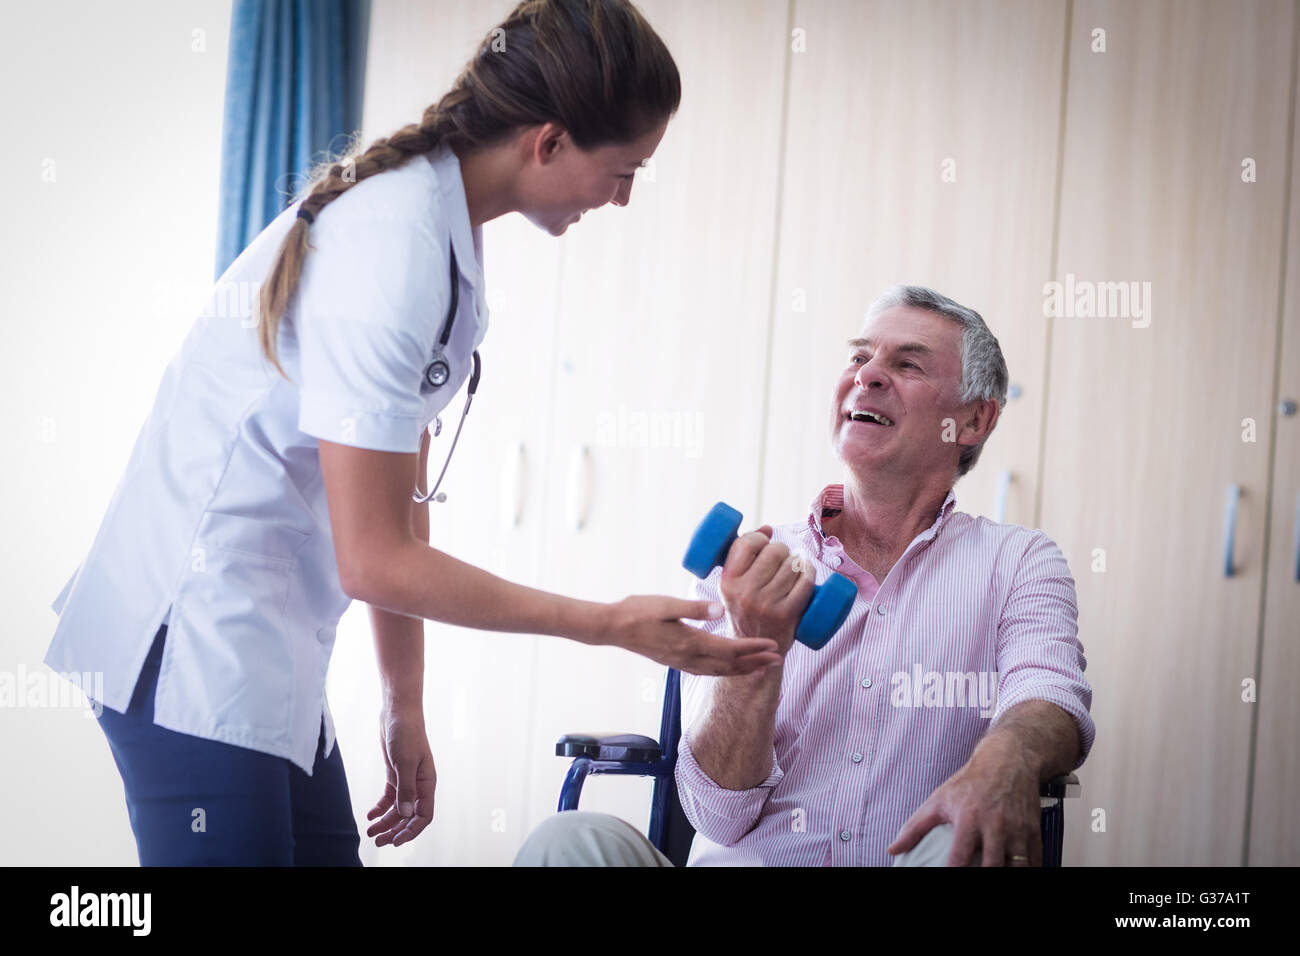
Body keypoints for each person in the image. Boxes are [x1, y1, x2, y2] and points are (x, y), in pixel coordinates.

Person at [43, 0, 782, 867]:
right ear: (548, 142)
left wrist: (404, 702)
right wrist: (605, 623)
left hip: (264, 639)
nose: (620, 197)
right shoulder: (392, 245)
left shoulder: (441, 239)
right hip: (189, 640)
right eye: (623, 171)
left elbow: (401, 513)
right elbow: (375, 560)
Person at [513, 285, 1095, 867]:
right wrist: (755, 651)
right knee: (569, 843)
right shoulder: (753, 568)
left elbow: (1049, 695)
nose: (867, 376)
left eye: (907, 363)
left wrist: (1008, 756)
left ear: (973, 419)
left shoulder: (1018, 562)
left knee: (958, 849)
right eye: (859, 356)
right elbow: (718, 816)